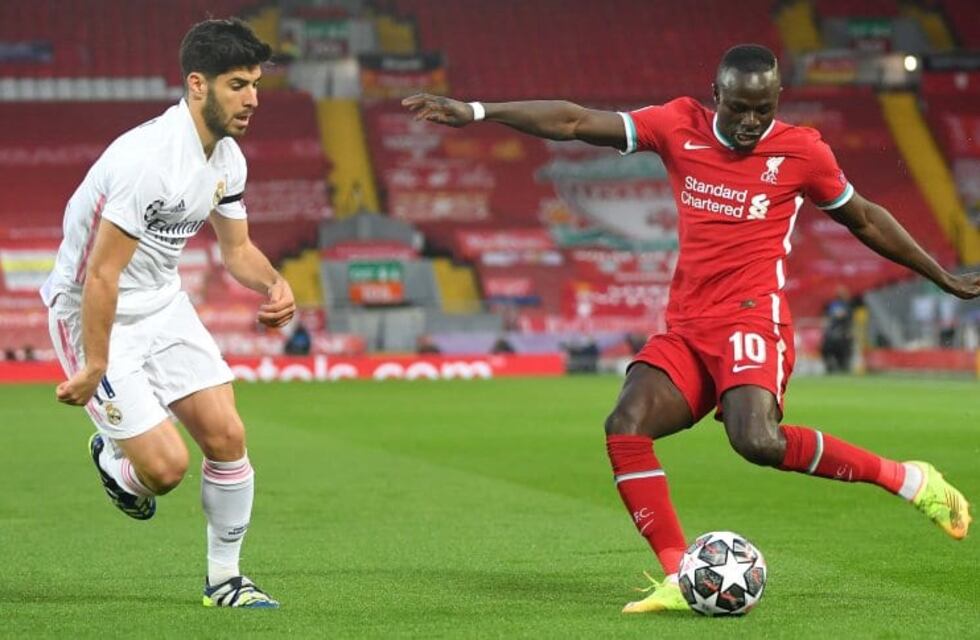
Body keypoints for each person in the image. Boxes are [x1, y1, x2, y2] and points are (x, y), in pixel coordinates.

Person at [403, 44, 979, 614]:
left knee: (756, 441)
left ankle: (907, 478)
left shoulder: (802, 151)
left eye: (763, 108)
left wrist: (940, 275)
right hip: (687, 325)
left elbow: (865, 217)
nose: (752, 122)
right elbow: (575, 120)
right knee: (625, 424)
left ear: (777, 98)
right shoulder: (677, 125)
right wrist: (478, 111)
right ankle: (680, 573)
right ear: (716, 96)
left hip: (752, 315)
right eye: (739, 109)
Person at [40, 18, 293, 608]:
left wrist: (273, 283)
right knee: (165, 470)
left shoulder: (227, 157)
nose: (253, 98)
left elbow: (236, 250)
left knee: (228, 436)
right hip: (91, 311)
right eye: (238, 85)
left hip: (162, 304)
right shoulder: (148, 160)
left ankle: (226, 580)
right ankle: (115, 461)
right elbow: (101, 274)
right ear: (197, 85)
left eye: (255, 84)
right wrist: (94, 363)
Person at [821, 286, 853, 372]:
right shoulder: (846, 306)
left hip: (832, 334)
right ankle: (841, 367)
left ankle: (832, 366)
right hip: (840, 335)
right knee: (843, 355)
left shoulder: (832, 305)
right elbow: (847, 321)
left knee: (828, 352)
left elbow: (827, 319)